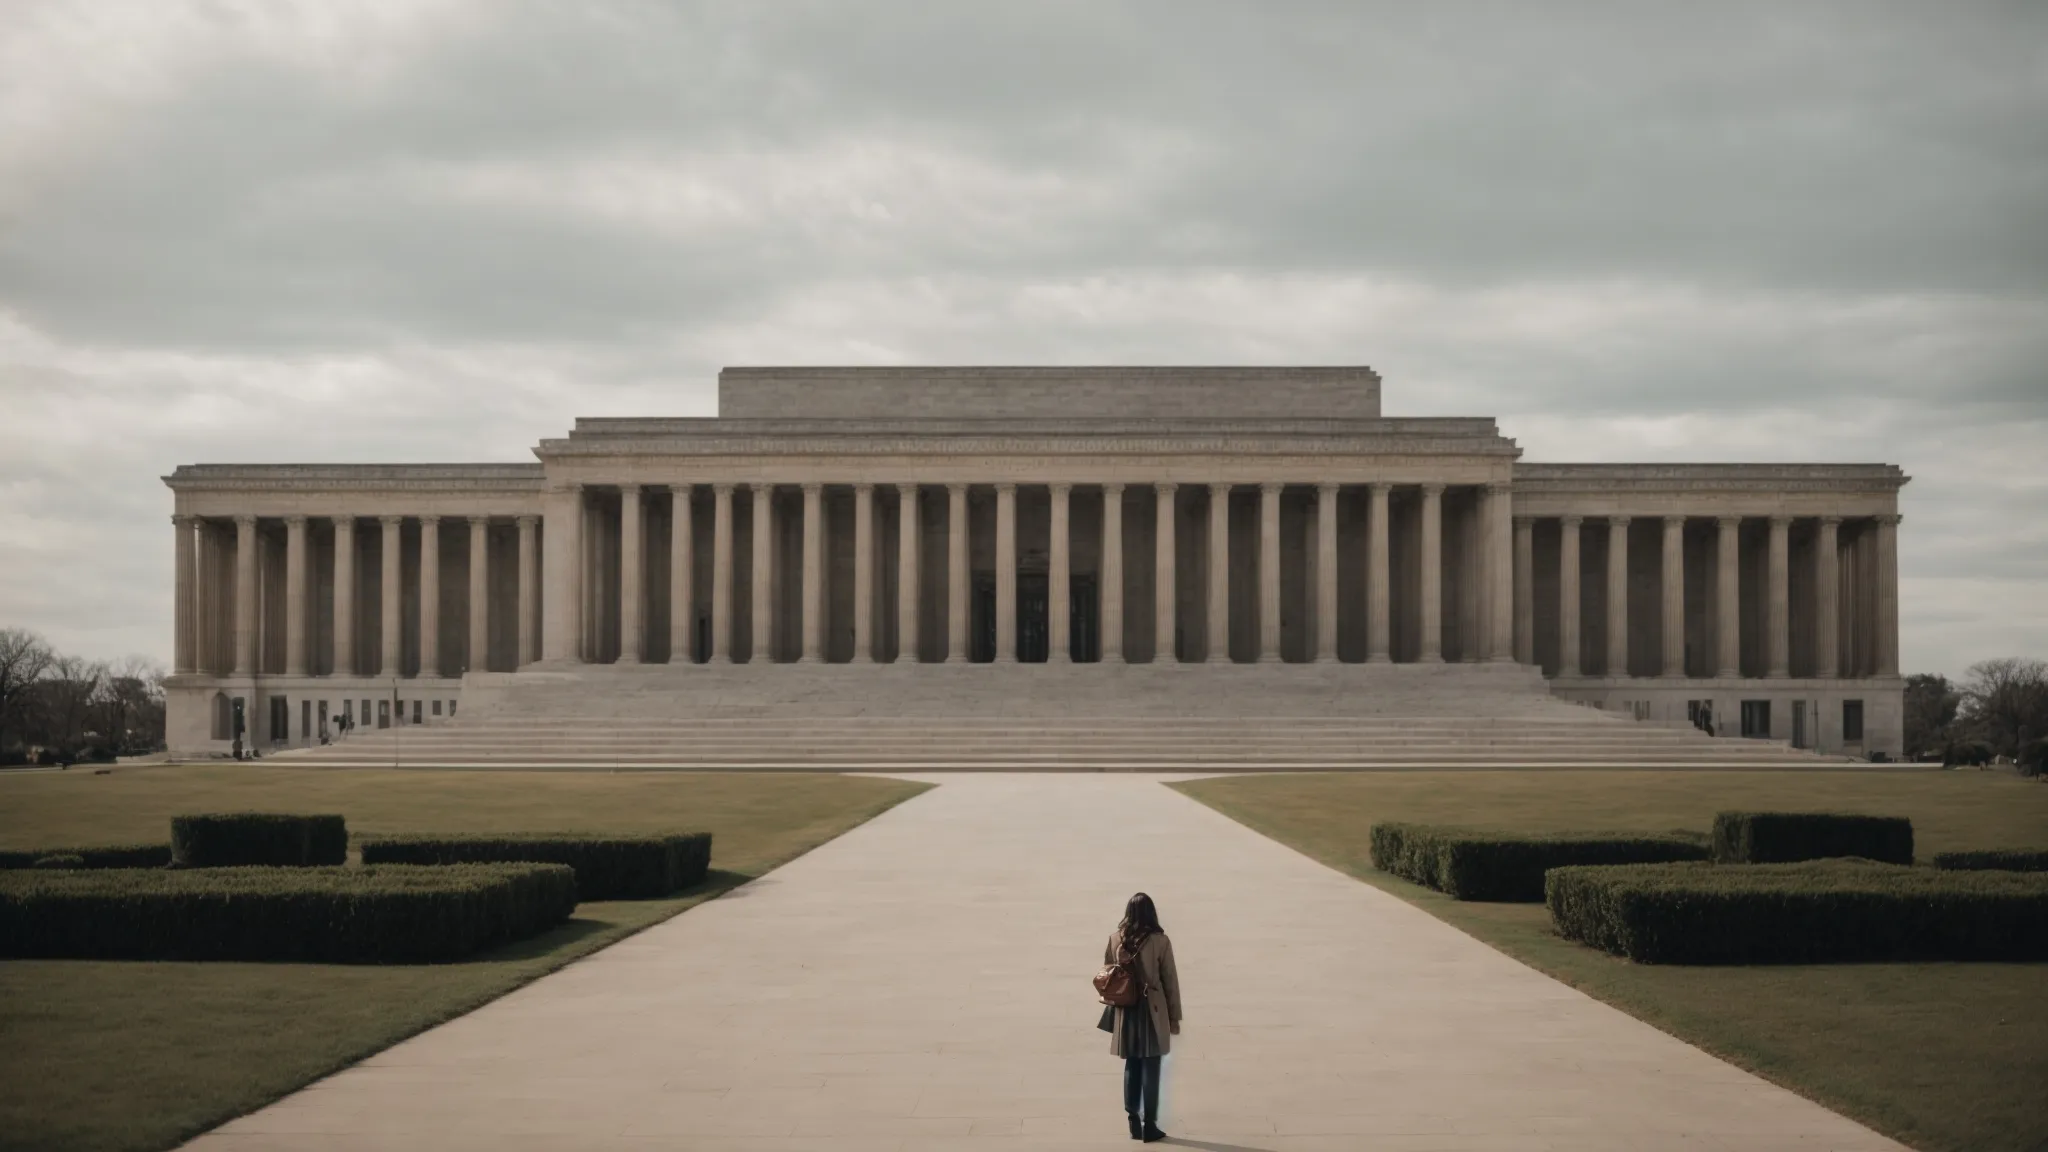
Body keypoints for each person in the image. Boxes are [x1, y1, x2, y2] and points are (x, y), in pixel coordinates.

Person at [1097, 892, 1182, 1142]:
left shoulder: (1115, 939)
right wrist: (1175, 1016)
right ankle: (1150, 1125)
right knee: (1152, 1067)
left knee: (1131, 1065)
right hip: (1151, 1010)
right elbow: (1170, 981)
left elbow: (1107, 974)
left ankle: (1133, 1120)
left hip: (1126, 1010)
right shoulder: (1160, 941)